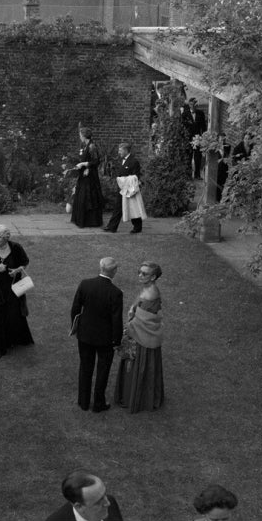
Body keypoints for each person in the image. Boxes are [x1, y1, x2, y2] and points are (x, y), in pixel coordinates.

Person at [69, 257, 123, 412]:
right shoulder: (116, 293)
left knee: (85, 368)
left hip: (85, 335)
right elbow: (116, 320)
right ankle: (98, 403)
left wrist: (75, 326)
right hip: (105, 339)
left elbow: (75, 308)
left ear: (100, 268)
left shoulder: (85, 284)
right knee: (102, 371)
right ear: (114, 271)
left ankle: (83, 402)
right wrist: (117, 341)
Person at [114, 261, 165, 413]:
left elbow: (142, 321)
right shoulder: (148, 289)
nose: (140, 275)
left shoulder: (151, 293)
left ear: (153, 277)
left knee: (137, 366)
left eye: (145, 274)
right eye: (139, 272)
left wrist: (127, 326)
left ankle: (137, 397)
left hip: (141, 339)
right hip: (141, 336)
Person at [0, 224, 34, 358]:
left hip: (12, 287)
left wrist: (17, 270)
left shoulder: (15, 247)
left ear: (6, 237)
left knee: (12, 315)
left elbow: (25, 262)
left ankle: (12, 341)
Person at [45, 471, 124, 521]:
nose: (108, 503)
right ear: (79, 506)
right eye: (98, 502)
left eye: (104, 494)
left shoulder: (111, 502)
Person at [103, 141, 145, 234]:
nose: (119, 152)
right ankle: (112, 227)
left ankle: (138, 227)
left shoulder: (134, 162)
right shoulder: (122, 160)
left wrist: (125, 181)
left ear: (126, 150)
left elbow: (136, 176)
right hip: (122, 188)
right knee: (118, 207)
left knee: (133, 207)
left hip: (130, 189)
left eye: (120, 150)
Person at [69, 126, 104, 228]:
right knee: (81, 196)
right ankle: (80, 219)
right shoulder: (85, 145)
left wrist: (85, 164)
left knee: (88, 197)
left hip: (90, 177)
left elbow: (96, 161)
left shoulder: (92, 146)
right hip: (84, 174)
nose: (79, 136)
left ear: (84, 135)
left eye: (80, 134)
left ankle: (90, 221)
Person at [189, 98, 208, 179]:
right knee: (188, 157)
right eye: (191, 104)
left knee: (198, 158)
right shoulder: (185, 114)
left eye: (194, 104)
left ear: (196, 105)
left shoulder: (201, 113)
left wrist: (202, 137)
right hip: (188, 139)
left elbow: (203, 127)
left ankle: (197, 175)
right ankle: (188, 175)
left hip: (198, 139)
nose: (193, 106)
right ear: (189, 105)